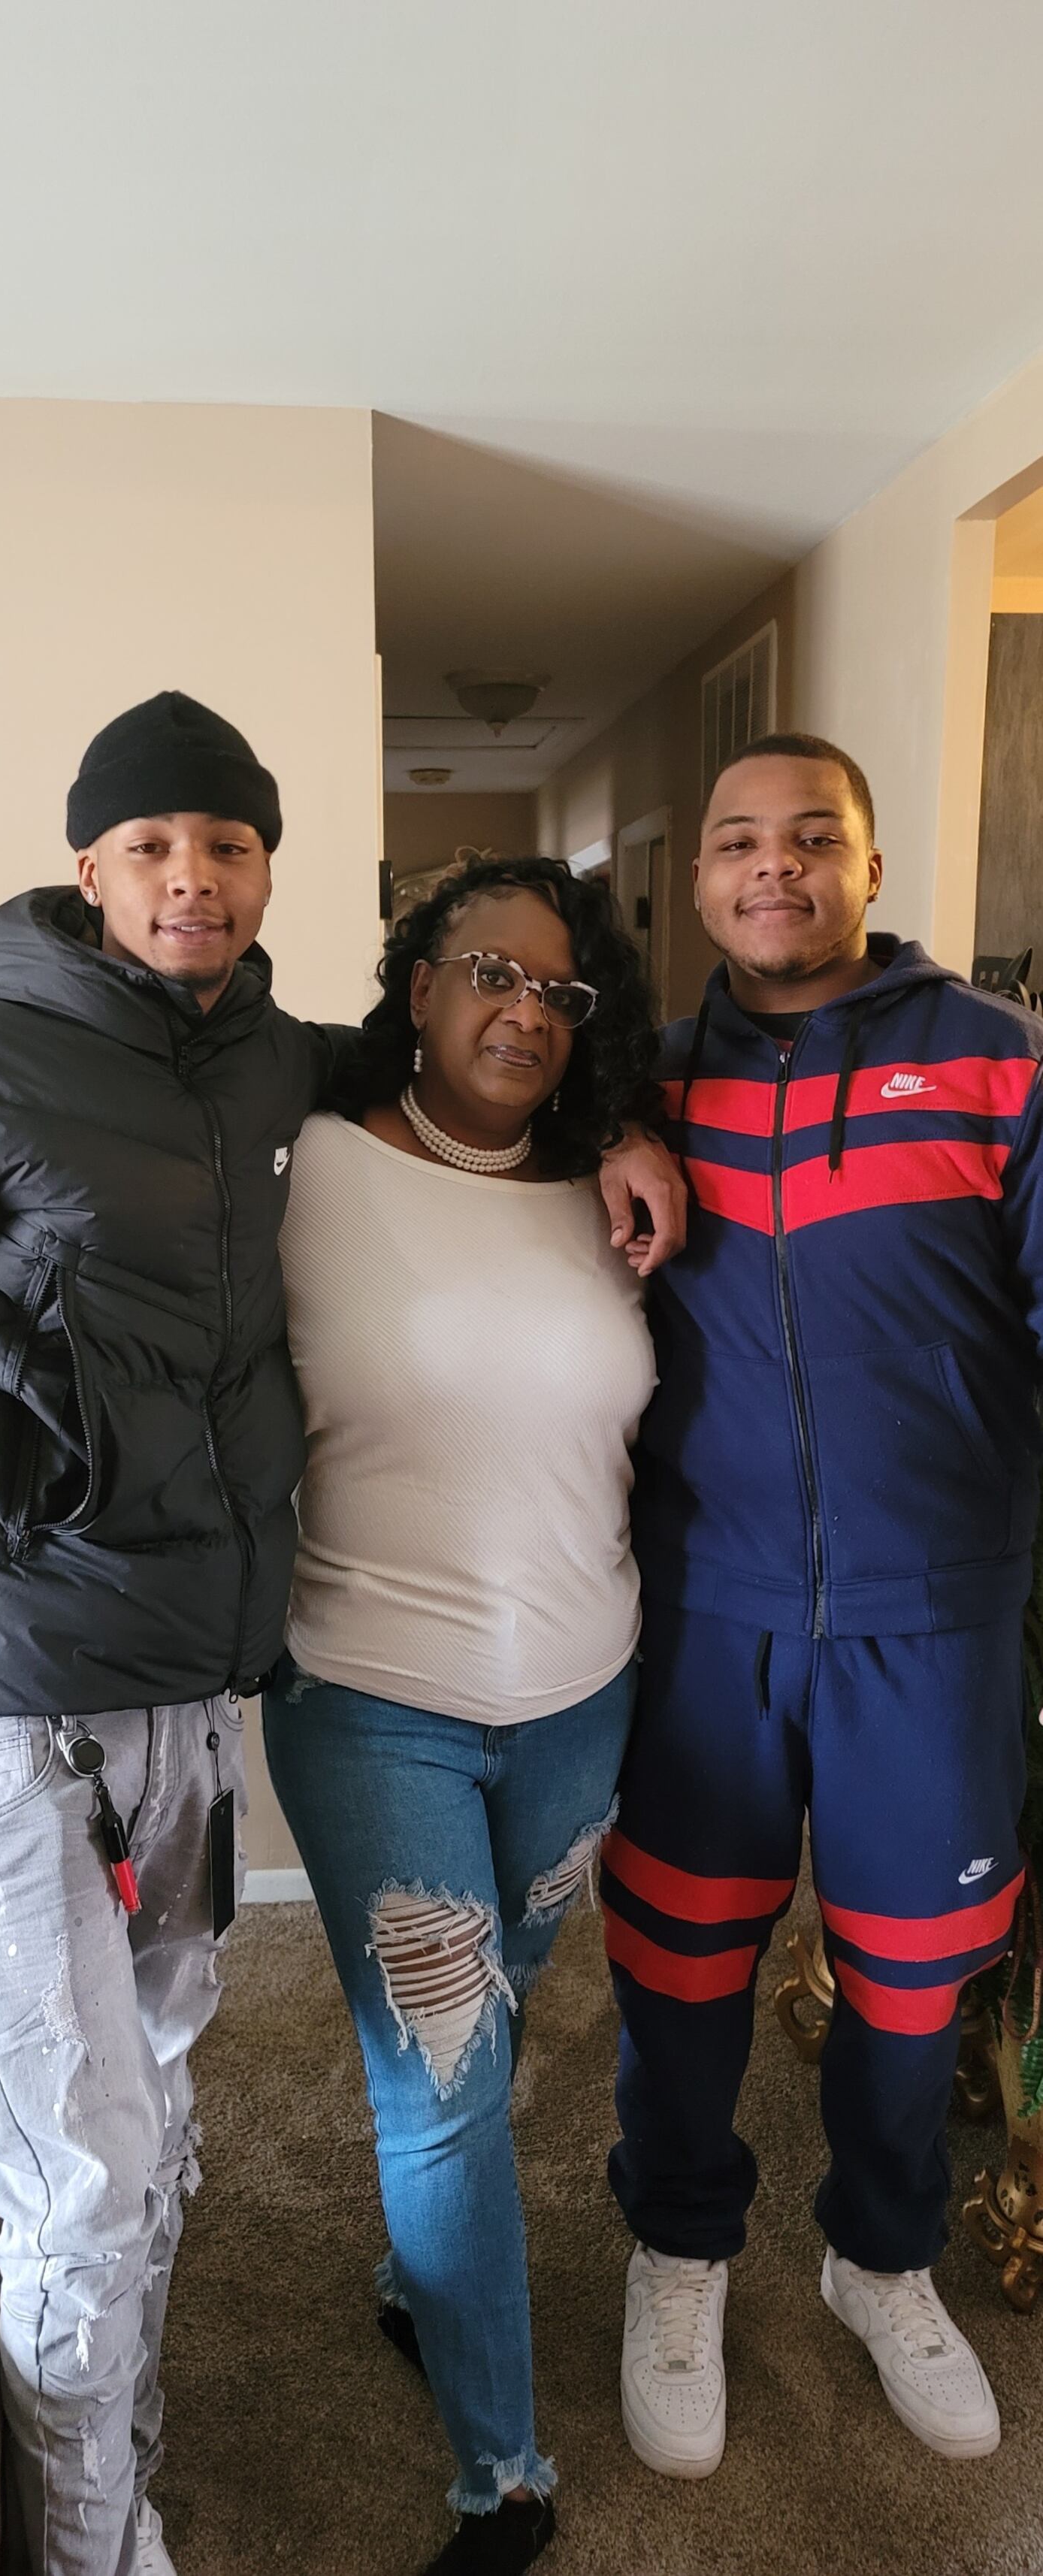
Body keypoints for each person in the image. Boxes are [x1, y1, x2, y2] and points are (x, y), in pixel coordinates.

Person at [0, 698, 682, 2576]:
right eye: (150, 846)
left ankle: (123, 2450)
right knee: (167, 2148)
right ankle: (251, 2516)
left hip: (239, 1700)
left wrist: (627, 1111)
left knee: (190, 2109)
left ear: (269, 870)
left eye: (224, 846)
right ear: (87, 867)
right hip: (60, 1691)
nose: (189, 878)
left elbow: (512, 1051)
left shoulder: (259, 1077)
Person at [603, 732, 1043, 2480]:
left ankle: (880, 2259)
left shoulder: (995, 1066)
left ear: (868, 863)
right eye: (734, 842)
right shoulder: (629, 1090)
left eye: (809, 837)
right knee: (682, 1960)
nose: (768, 867)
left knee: (912, 1979)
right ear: (697, 879)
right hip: (703, 1612)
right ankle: (679, 2242)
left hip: (928, 1621)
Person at [262, 855, 660, 2576]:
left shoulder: (614, 1188)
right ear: (414, 983)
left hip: (586, 1692)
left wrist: (637, 1126)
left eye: (558, 993)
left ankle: (413, 2278)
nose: (520, 1009)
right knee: (442, 2079)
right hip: (368, 1696)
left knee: (502, 2014)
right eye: (486, 970)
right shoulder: (305, 1164)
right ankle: (500, 2471)